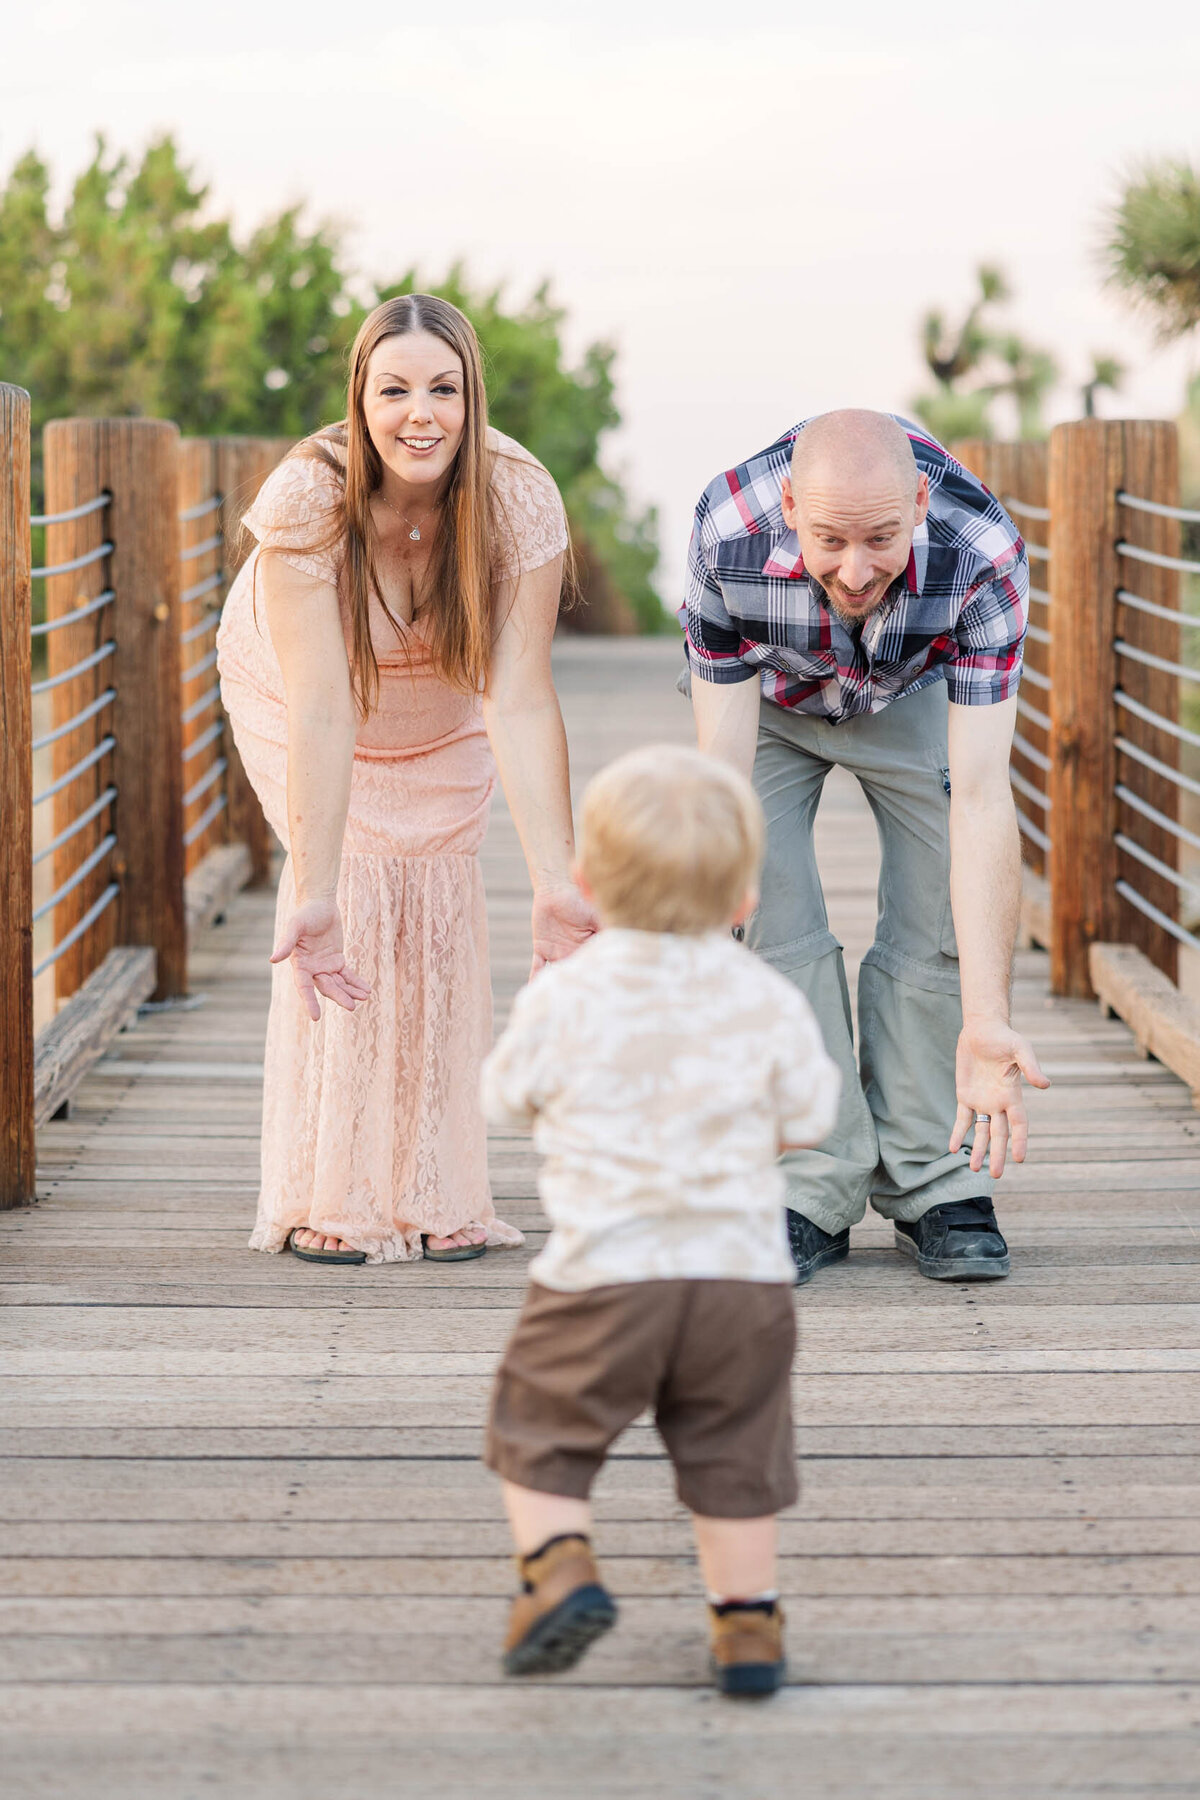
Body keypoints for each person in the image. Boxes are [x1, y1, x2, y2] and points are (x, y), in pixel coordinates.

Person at [216, 294, 595, 1266]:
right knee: (363, 889)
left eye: (444, 388)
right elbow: (324, 708)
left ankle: (438, 1185)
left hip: (440, 694)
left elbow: (517, 698)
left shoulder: (517, 498)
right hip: (296, 691)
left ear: (472, 400)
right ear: (360, 398)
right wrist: (318, 887)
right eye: (394, 390)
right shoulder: (308, 497)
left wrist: (558, 881)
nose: (419, 413)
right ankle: (328, 1190)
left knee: (437, 887)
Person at [480, 745, 840, 1694]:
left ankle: (557, 1569)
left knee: (539, 1426)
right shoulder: (765, 996)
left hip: (603, 1272)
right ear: (745, 901)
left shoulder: (566, 993)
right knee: (734, 1455)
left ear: (590, 884)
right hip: (741, 1278)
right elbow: (811, 1119)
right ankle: (749, 1627)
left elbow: (504, 1098)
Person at [683, 409, 1050, 1285]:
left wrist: (990, 1019)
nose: (856, 569)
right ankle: (807, 1181)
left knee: (939, 905)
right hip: (771, 706)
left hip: (908, 693)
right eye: (830, 539)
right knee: (766, 906)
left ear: (921, 500)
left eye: (883, 538)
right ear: (787, 506)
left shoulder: (982, 551)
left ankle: (934, 1179)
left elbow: (986, 797)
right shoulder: (725, 532)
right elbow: (720, 776)